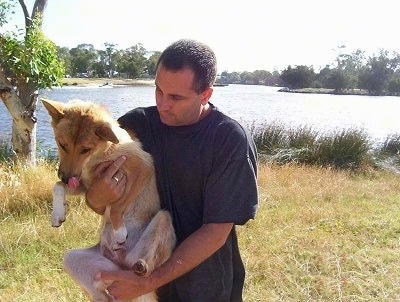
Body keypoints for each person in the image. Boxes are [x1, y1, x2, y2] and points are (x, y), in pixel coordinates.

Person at [86, 39, 259, 302]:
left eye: (176, 97)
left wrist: (146, 283)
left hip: (202, 286)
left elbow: (215, 231)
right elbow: (98, 203)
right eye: (158, 91)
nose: (163, 104)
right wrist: (98, 193)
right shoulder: (136, 125)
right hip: (134, 268)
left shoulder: (228, 139)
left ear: (206, 94)